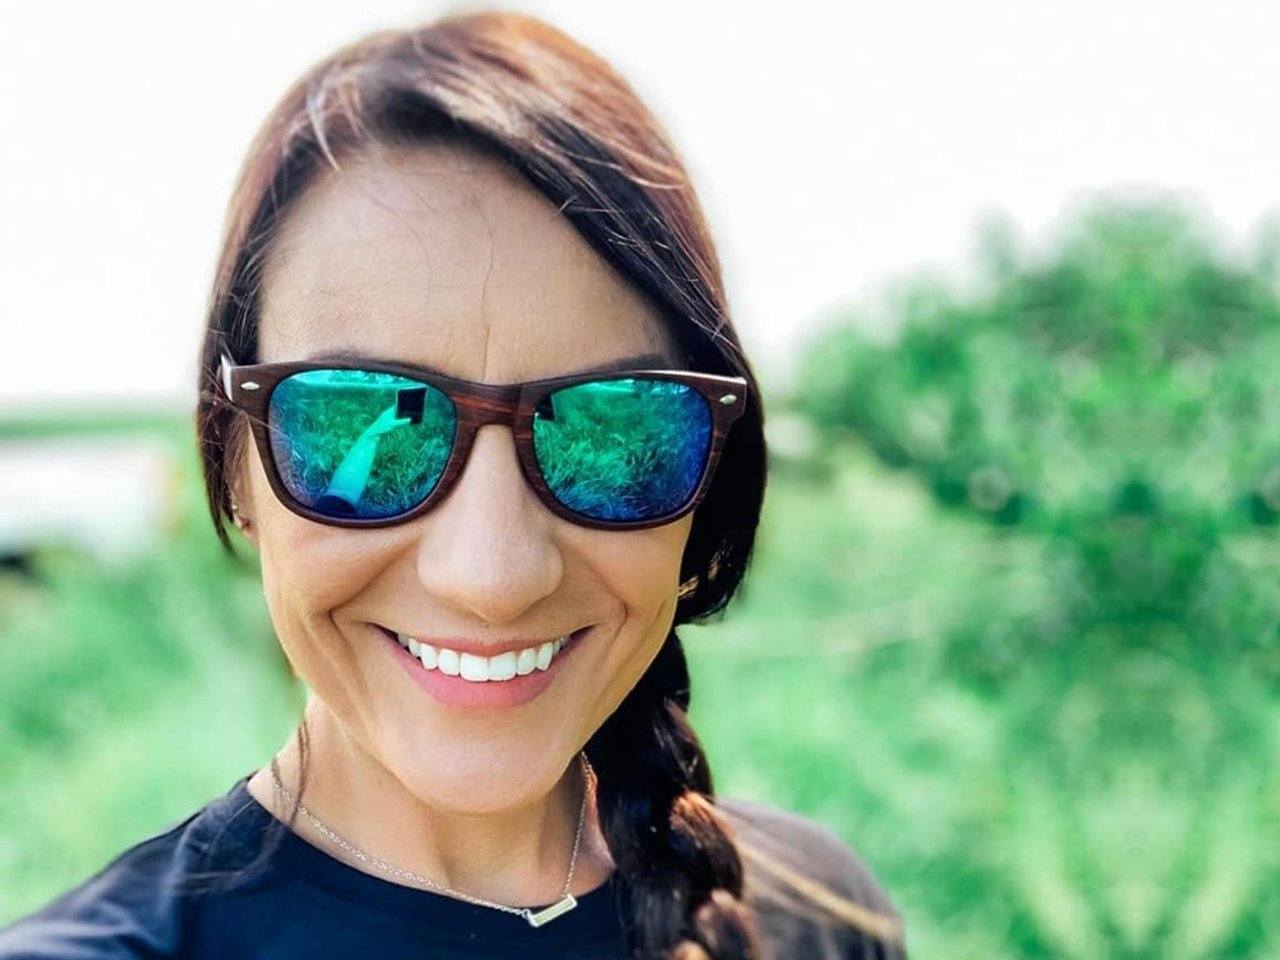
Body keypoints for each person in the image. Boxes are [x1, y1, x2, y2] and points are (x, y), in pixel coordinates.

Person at [0, 10, 906, 959]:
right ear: (235, 468)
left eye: (613, 430)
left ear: (710, 479)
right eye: (363, 424)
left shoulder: (815, 916)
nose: (492, 576)